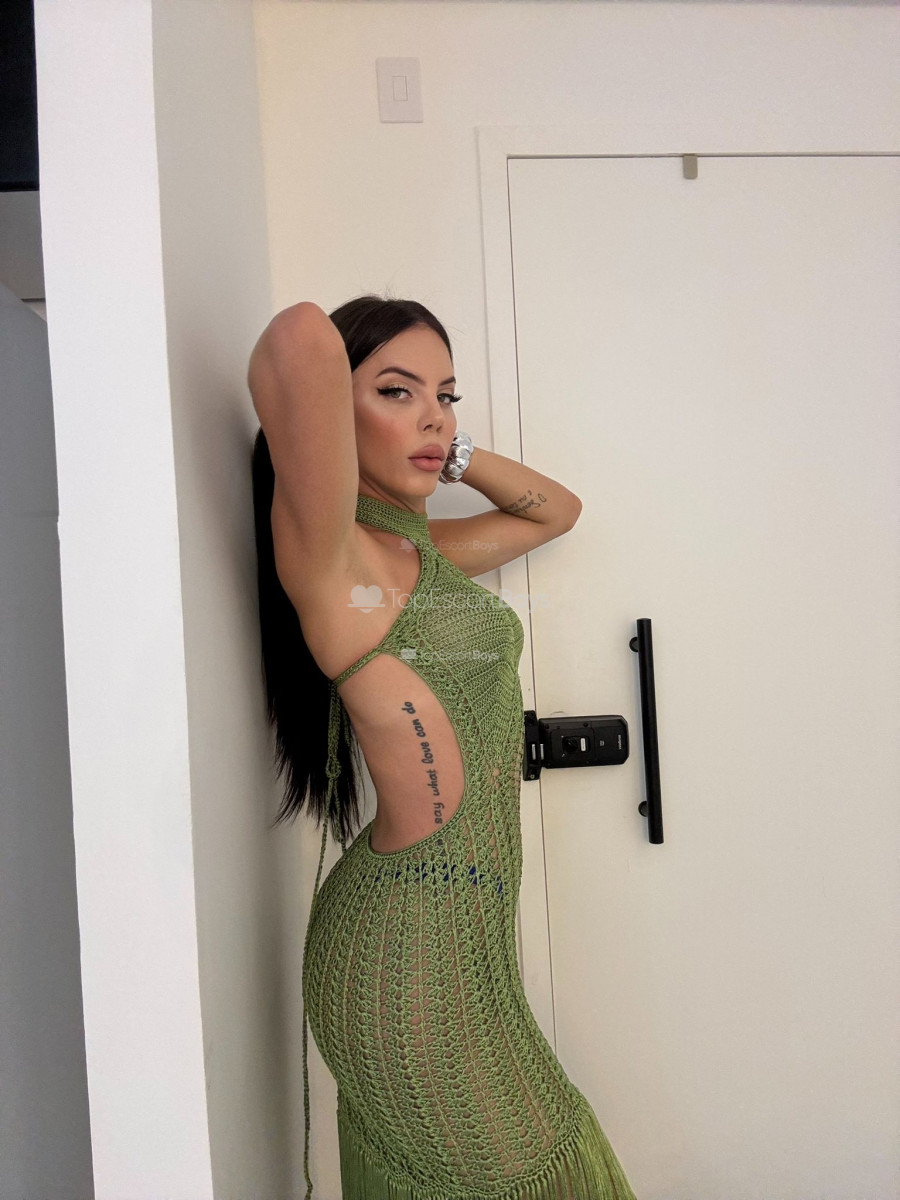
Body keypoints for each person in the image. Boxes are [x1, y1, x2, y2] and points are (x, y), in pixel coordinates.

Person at [248, 295, 638, 1199]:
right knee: (535, 1170)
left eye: (447, 395)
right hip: (402, 946)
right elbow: (298, 337)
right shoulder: (338, 563)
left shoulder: (420, 559)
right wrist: (350, 428)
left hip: (461, 935)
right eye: (397, 390)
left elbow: (556, 512)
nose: (434, 415)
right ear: (337, 412)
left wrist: (440, 446)